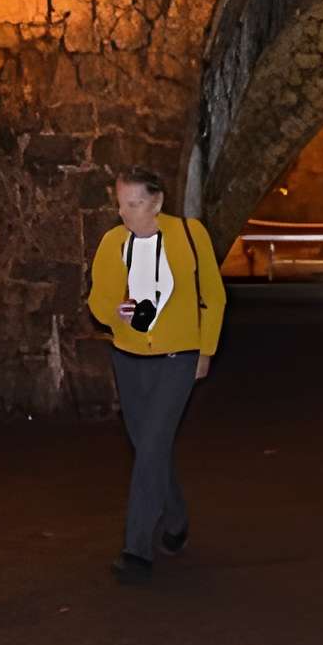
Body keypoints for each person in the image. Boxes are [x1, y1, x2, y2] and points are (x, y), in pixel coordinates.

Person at [85, 165, 224, 583]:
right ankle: (176, 517)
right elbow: (98, 299)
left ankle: (136, 550)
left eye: (134, 204)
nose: (125, 213)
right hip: (128, 357)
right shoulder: (113, 243)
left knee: (149, 449)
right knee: (148, 446)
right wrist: (114, 311)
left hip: (177, 357)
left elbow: (213, 298)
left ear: (157, 202)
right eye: (121, 205)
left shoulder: (189, 235)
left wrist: (206, 350)